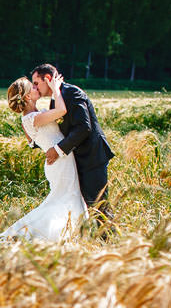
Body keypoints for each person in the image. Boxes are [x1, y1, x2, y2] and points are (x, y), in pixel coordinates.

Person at [0, 75, 86, 242]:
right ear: (27, 96)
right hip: (60, 162)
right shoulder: (32, 118)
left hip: (60, 160)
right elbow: (62, 111)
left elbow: (32, 142)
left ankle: (69, 232)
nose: (37, 88)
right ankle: (55, 234)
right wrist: (56, 88)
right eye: (33, 87)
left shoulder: (34, 116)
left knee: (67, 197)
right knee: (64, 199)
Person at [30, 63, 114, 224]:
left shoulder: (71, 92)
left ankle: (110, 243)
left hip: (92, 157)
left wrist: (58, 149)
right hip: (77, 159)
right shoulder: (57, 98)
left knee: (99, 206)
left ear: (47, 78)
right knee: (87, 207)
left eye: (36, 83)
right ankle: (97, 242)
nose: (35, 87)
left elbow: (84, 127)